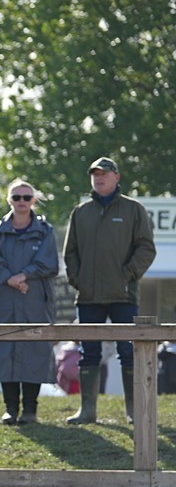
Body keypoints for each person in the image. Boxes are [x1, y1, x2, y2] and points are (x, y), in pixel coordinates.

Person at [63, 156, 155, 424]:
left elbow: (146, 248)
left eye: (104, 173)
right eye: (94, 174)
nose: (98, 178)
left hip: (123, 295)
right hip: (88, 296)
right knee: (88, 352)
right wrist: (78, 279)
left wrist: (127, 275)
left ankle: (134, 411)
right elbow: (70, 253)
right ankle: (87, 411)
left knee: (128, 351)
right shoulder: (80, 212)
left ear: (117, 177)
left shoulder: (134, 209)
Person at [0, 181, 59, 424]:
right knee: (5, 349)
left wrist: (23, 276)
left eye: (26, 197)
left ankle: (31, 410)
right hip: (3, 300)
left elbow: (49, 263)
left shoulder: (46, 231)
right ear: (9, 200)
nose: (21, 201)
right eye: (16, 197)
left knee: (35, 350)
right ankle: (10, 408)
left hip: (34, 300)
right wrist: (10, 280)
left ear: (33, 201)